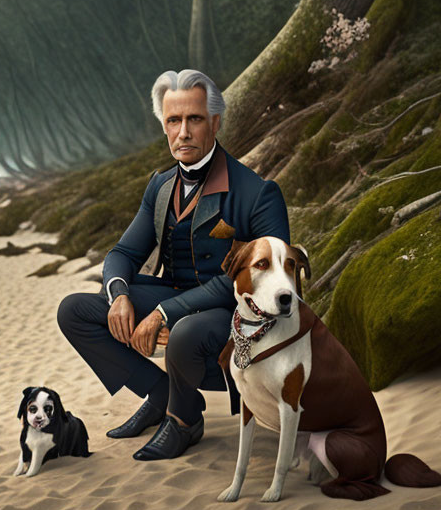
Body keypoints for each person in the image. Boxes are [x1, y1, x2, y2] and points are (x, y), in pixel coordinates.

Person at [57, 69, 290, 460]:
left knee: (184, 330)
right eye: (173, 121)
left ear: (215, 122)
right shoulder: (160, 185)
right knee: (75, 311)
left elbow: (249, 280)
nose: (183, 132)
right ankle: (162, 394)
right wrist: (119, 296)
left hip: (233, 313)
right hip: (179, 298)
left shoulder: (258, 193)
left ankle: (184, 422)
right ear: (164, 127)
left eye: (194, 119)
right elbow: (122, 254)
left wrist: (164, 311)